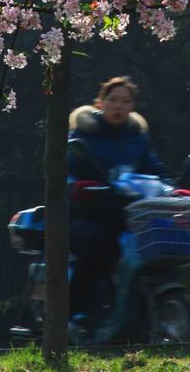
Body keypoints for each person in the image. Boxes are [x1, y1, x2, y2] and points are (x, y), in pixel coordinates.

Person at [67, 76, 166, 319]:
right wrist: (77, 187)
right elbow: (66, 172)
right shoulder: (83, 135)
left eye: (125, 101)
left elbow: (156, 172)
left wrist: (172, 188)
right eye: (112, 100)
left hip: (129, 215)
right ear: (99, 103)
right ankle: (77, 310)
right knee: (97, 242)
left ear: (132, 106)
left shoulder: (138, 138)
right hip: (91, 214)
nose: (118, 106)